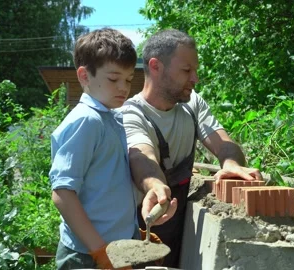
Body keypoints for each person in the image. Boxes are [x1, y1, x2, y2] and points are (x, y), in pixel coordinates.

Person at [119, 29, 262, 268]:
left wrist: (232, 165)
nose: (195, 78)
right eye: (186, 70)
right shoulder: (132, 113)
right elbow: (142, 157)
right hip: (142, 224)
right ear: (156, 66)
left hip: (177, 224)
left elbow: (224, 143)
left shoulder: (192, 104)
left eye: (195, 70)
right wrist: (155, 186)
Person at [49, 28, 177, 270]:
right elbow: (62, 195)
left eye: (128, 80)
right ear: (84, 76)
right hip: (87, 257)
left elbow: (106, 188)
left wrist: (133, 234)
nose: (123, 87)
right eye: (113, 79)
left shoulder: (112, 118)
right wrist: (101, 252)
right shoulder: (87, 121)